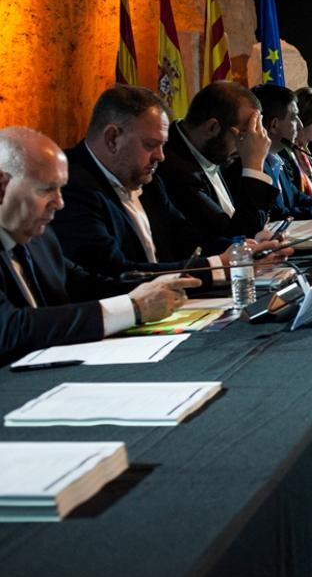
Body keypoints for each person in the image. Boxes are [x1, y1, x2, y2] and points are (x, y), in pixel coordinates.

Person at [0, 127, 199, 365]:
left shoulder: (41, 239)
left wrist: (157, 288)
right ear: (2, 186)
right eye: (46, 190)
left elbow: (88, 286)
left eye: (61, 189)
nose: (60, 203)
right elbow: (11, 328)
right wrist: (133, 307)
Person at [55, 85, 269, 281]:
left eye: (163, 145)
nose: (161, 156)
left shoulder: (150, 182)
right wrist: (217, 266)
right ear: (112, 138)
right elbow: (115, 272)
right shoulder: (69, 187)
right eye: (150, 145)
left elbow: (189, 242)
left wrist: (246, 251)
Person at [157, 80, 278, 239]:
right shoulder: (173, 168)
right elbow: (240, 238)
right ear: (212, 128)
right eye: (244, 134)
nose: (247, 145)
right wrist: (254, 164)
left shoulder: (213, 150)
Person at [251, 84, 312, 221]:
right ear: (274, 125)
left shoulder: (276, 158)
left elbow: (296, 197)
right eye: (294, 117)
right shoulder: (255, 163)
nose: (300, 125)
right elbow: (277, 214)